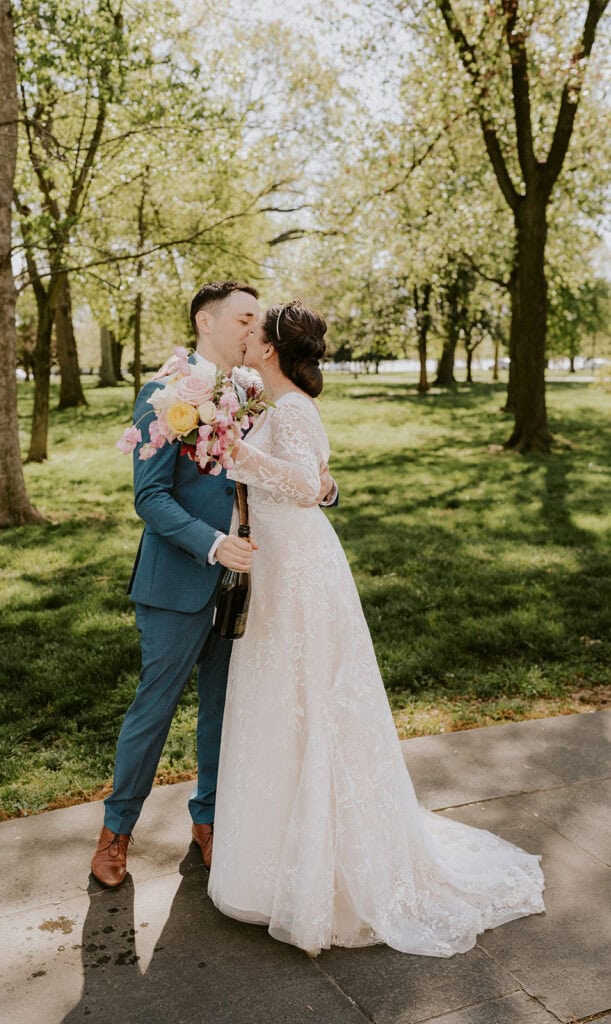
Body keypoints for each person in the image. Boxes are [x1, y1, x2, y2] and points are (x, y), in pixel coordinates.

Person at [208, 300, 545, 957]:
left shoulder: (291, 410)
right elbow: (315, 481)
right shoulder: (271, 407)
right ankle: (271, 859)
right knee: (279, 705)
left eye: (254, 332)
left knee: (309, 700)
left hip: (301, 569)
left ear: (272, 350)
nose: (245, 340)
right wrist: (242, 451)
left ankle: (324, 870)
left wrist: (233, 454)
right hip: (280, 563)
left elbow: (307, 485)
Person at [90, 282, 336, 886]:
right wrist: (212, 542)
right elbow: (149, 496)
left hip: (249, 582)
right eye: (245, 317)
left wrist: (324, 487)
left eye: (259, 319)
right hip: (177, 581)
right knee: (154, 709)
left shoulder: (254, 392)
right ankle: (116, 833)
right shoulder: (164, 392)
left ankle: (210, 822)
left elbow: (293, 468)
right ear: (207, 321)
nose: (255, 328)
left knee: (225, 713)